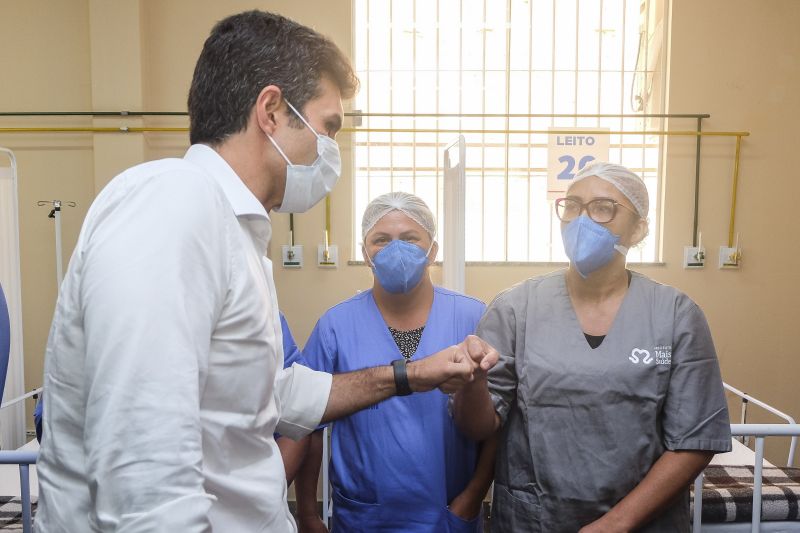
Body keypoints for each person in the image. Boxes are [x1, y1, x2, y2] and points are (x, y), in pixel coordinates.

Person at [35, 11, 497, 532]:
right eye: (327, 128)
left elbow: (268, 395)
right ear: (272, 112)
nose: (330, 152)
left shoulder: (234, 233)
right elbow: (143, 472)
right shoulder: (172, 203)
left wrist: (412, 374)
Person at [453, 162, 731, 532]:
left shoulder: (675, 315)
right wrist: (471, 383)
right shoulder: (515, 309)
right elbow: (481, 427)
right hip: (535, 519)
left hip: (642, 521)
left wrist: (617, 523)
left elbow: (694, 439)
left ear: (639, 228)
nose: (581, 219)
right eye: (571, 205)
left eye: (603, 208)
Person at [296, 192, 497, 533]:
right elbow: (307, 425)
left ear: (433, 249)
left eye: (409, 238)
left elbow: (498, 420)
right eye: (381, 240)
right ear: (364, 254)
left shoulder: (473, 316)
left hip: (449, 513)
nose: (396, 249)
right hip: (364, 517)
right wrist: (308, 514)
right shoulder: (336, 325)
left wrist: (473, 497)